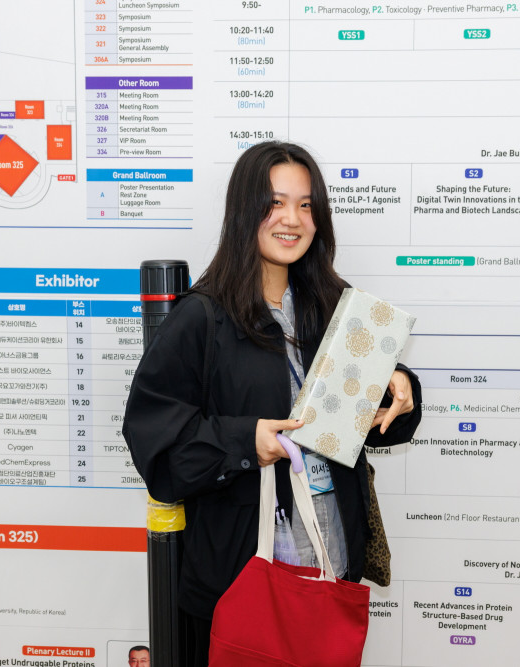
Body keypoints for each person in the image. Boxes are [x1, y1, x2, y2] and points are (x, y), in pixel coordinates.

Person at [123, 141, 422, 666]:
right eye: (275, 203)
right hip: (245, 568)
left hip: (333, 553)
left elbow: (371, 425)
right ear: (245, 211)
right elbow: (158, 447)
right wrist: (247, 441)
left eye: (306, 205)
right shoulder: (202, 317)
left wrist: (397, 385)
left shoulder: (334, 305)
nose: (292, 219)